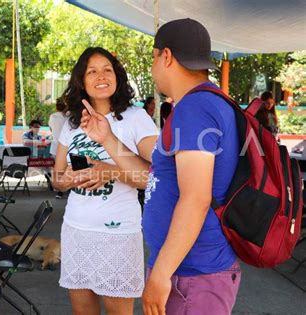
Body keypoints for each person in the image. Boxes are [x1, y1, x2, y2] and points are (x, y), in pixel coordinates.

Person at [79, 19, 241, 315]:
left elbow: (196, 198)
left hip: (192, 273)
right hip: (188, 269)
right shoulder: (201, 103)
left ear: (165, 56)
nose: (154, 67)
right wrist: (106, 137)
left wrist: (162, 272)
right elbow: (157, 175)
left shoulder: (195, 108)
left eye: (153, 58)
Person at [52, 47, 158, 314]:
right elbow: (57, 178)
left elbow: (154, 179)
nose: (101, 76)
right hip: (77, 229)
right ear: (82, 81)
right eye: (92, 71)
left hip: (118, 234)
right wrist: (70, 180)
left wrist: (109, 171)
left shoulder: (136, 118)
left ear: (117, 76)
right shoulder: (72, 123)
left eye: (107, 69)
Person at [48, 97, 68, 198]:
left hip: (55, 146)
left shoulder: (52, 116)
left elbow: (51, 129)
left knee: (58, 169)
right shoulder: (68, 117)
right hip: (66, 146)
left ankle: (59, 190)